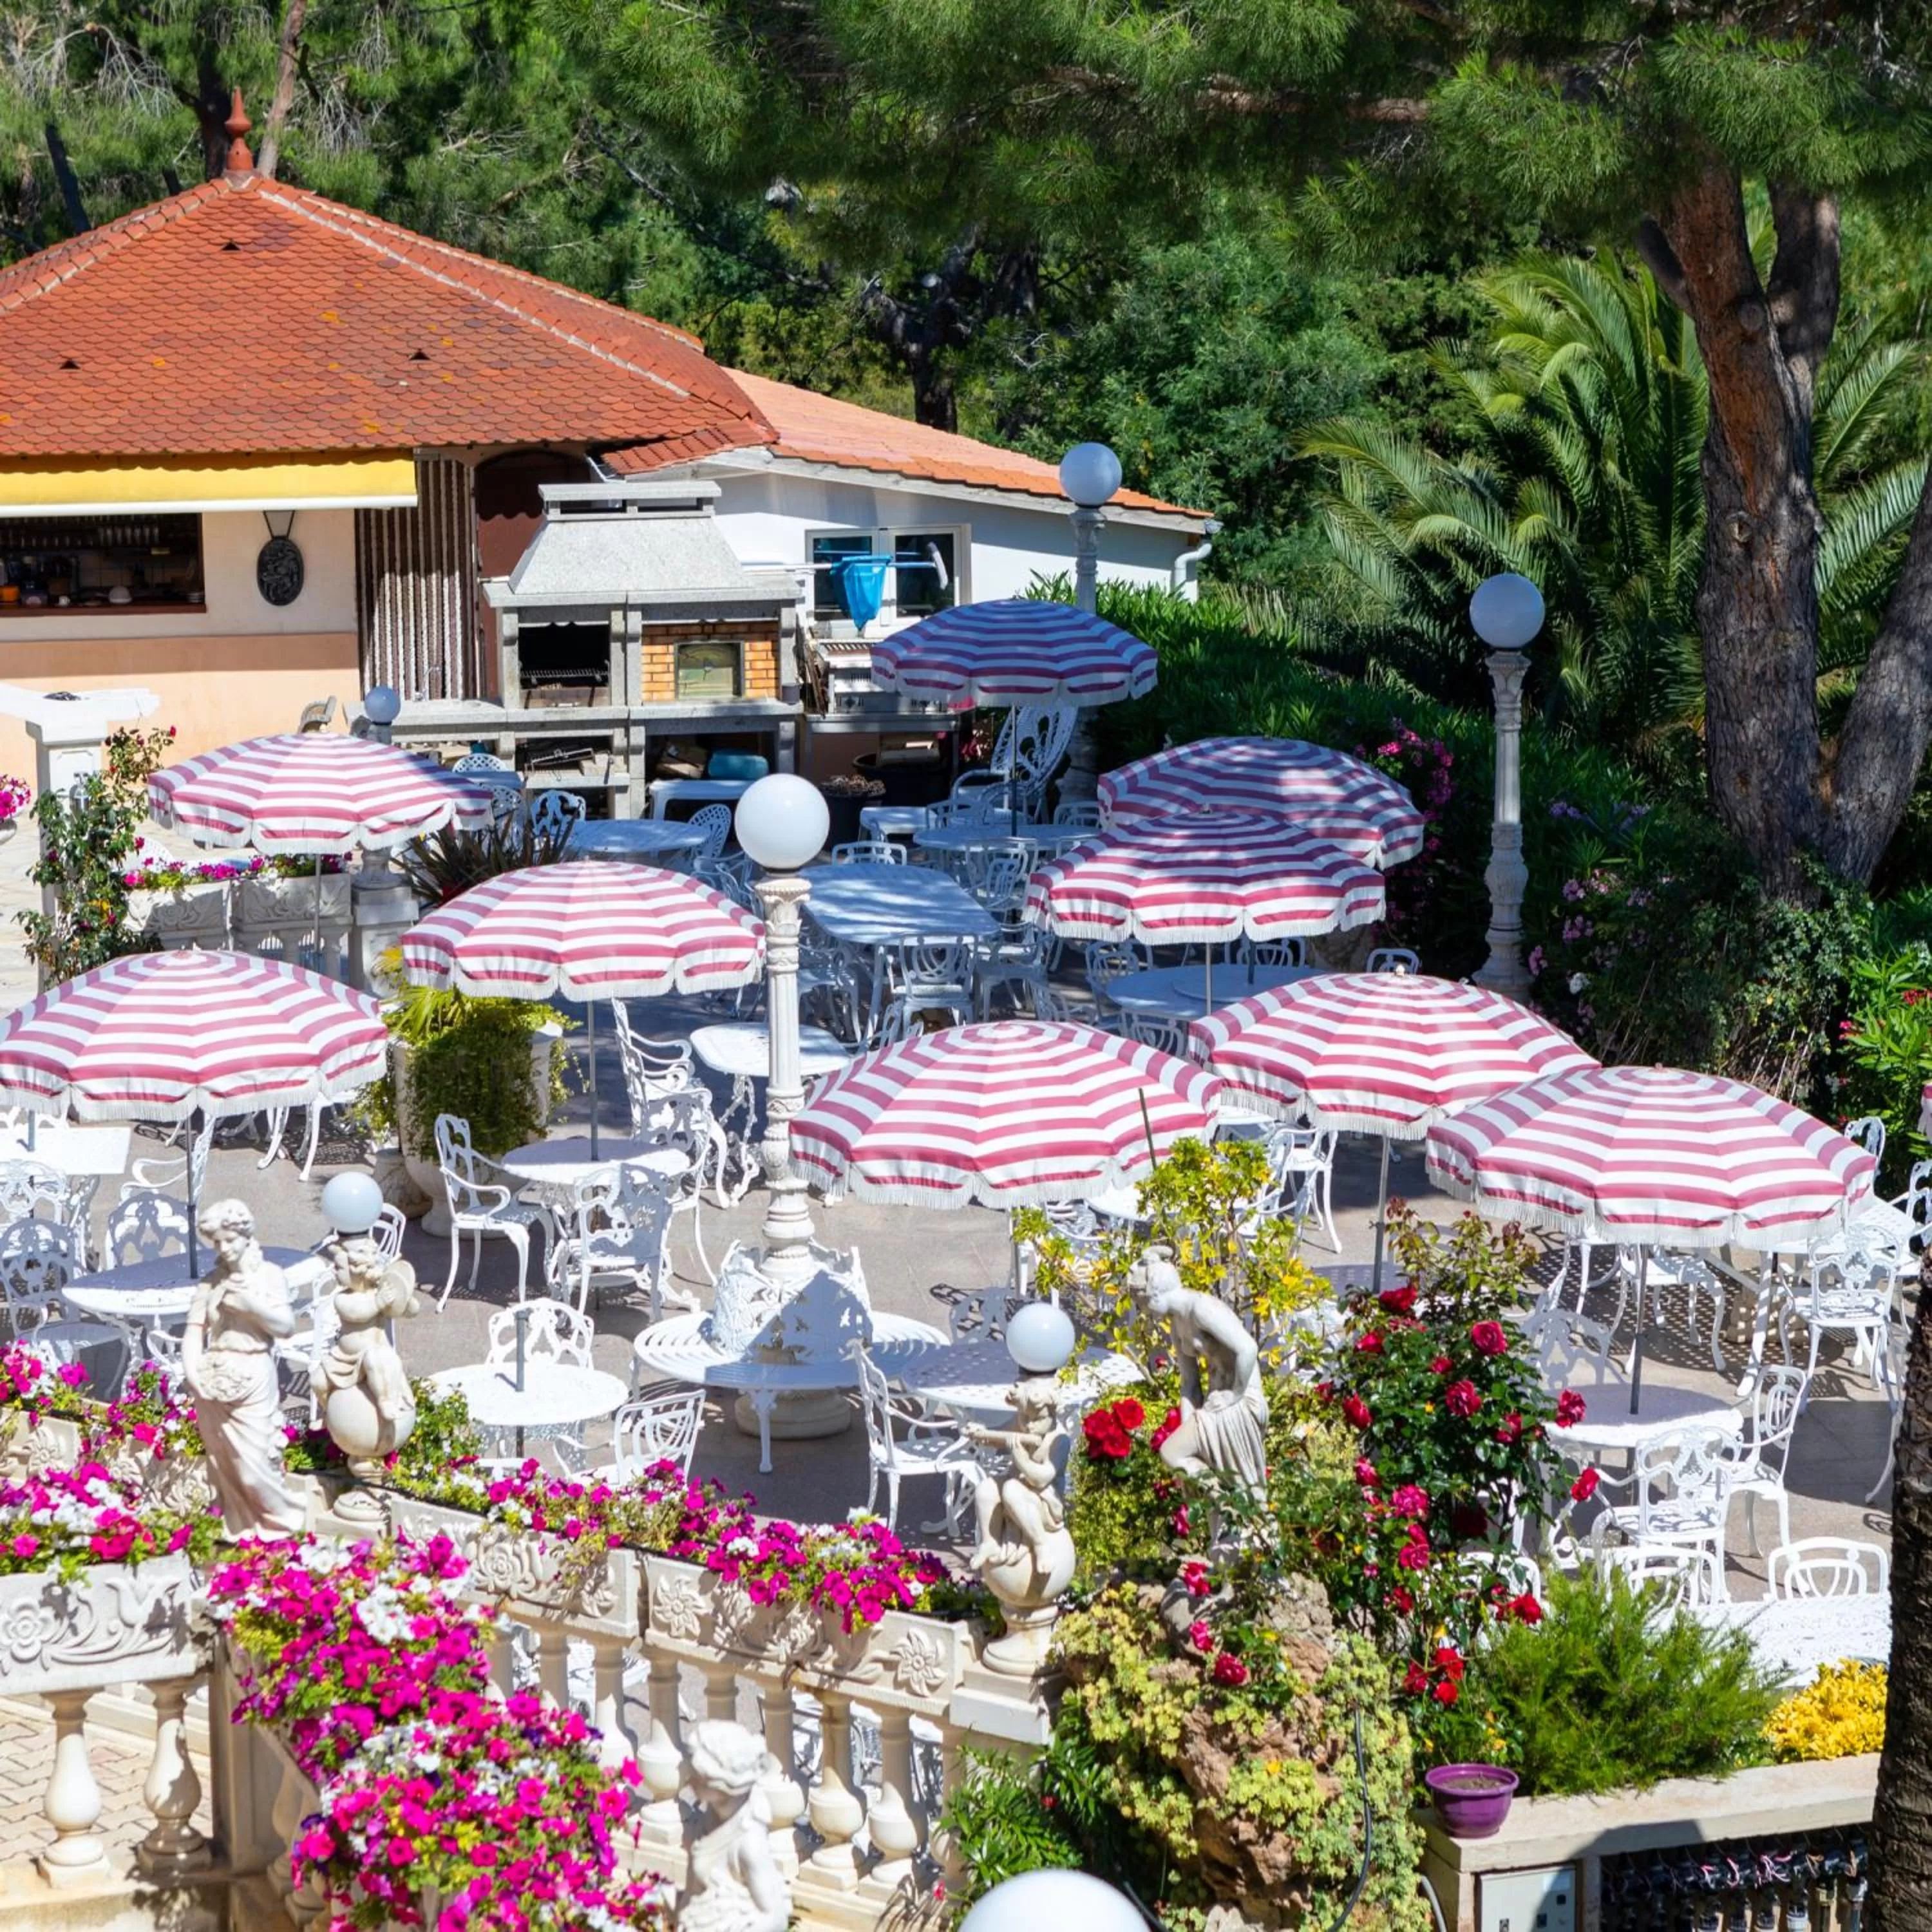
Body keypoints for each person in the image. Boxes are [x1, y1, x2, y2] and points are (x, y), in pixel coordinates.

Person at [179, 1198, 305, 1539]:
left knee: (253, 1469)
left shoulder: (269, 1276)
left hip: (253, 1375)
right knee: (224, 1468)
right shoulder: (210, 1284)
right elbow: (194, 1332)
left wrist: (251, 1306)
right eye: (217, 1242)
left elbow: (286, 1326)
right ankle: (241, 1532)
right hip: (214, 1379)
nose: (224, 1248)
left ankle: (285, 1526)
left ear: (246, 1235)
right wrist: (192, 1375)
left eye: (229, 1240)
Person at [1128, 1246, 1269, 1495]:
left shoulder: (1202, 1308)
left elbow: (1248, 1348)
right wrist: (1189, 1431)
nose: (1144, 1312)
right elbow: (1190, 1386)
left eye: (1143, 1304)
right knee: (1184, 1463)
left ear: (1154, 1295)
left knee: (1171, 1452)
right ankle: (1224, 1512)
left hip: (1239, 1401)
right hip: (1215, 1407)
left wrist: (1234, 1394)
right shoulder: (1177, 1325)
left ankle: (1228, 1506)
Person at [679, 1720, 790, 1932]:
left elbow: (775, 1918)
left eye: (697, 1777)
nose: (689, 1782)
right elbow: (691, 1895)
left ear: (722, 1783)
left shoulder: (749, 1844)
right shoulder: (710, 1819)